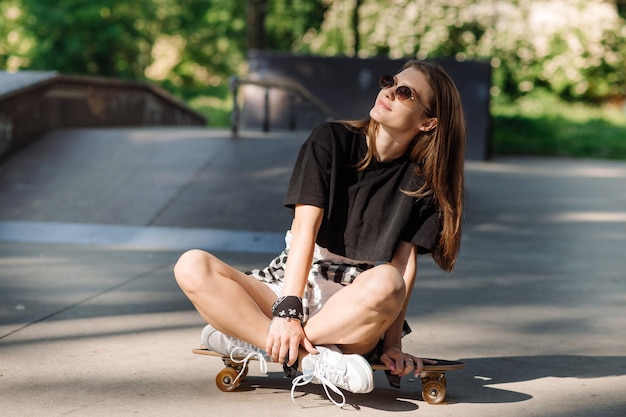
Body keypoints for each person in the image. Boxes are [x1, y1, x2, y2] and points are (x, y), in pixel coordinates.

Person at [174, 59, 466, 407]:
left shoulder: (424, 184)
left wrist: (392, 345)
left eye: (404, 92)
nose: (388, 91)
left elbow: (404, 268)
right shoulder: (331, 140)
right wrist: (288, 311)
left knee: (388, 281)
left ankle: (256, 340)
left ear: (427, 122)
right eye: (390, 81)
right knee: (191, 265)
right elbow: (305, 231)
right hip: (291, 283)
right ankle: (306, 357)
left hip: (351, 308)